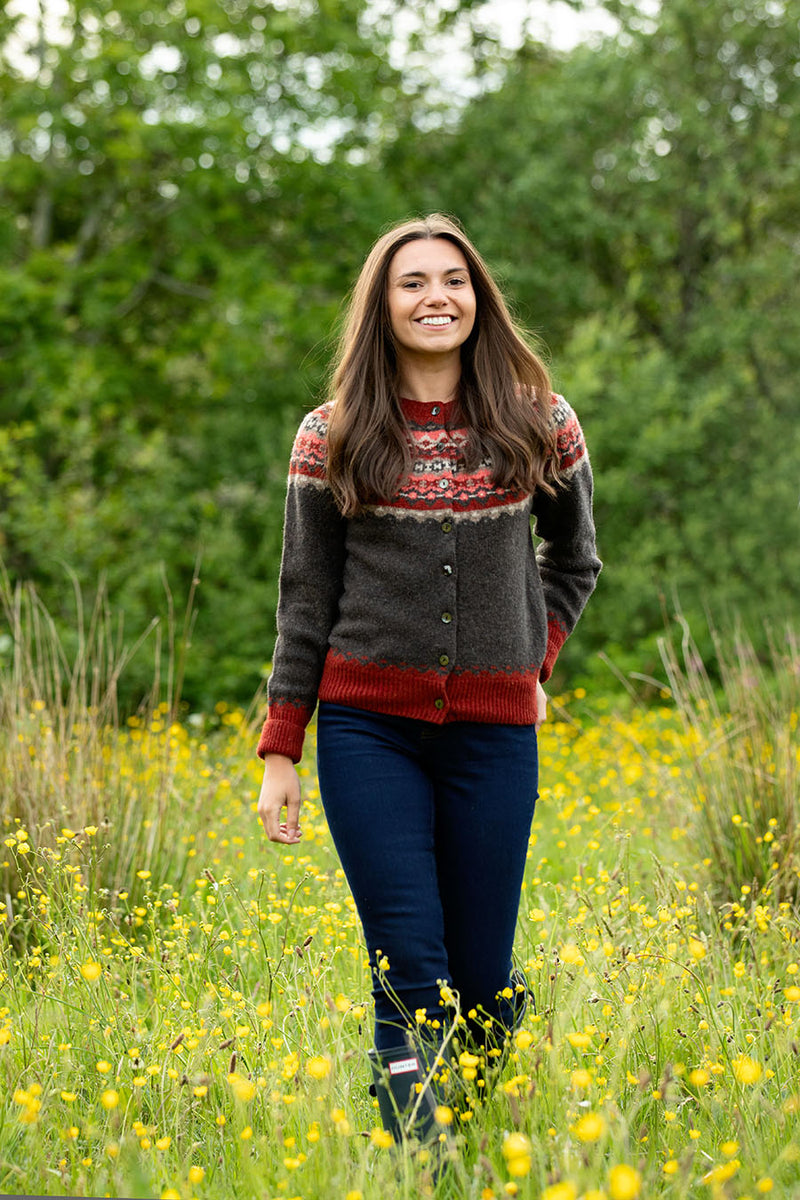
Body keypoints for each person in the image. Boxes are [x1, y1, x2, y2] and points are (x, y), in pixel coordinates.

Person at [256, 213, 601, 1142]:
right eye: (412, 283)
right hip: (369, 731)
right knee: (409, 961)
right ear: (383, 305)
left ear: (479, 298)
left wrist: (533, 665)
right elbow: (304, 600)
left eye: (453, 279)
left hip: (494, 736)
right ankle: (419, 1149)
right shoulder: (331, 435)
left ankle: (474, 1130)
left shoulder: (541, 420)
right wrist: (281, 748)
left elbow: (576, 564)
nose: (435, 297)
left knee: (482, 982)